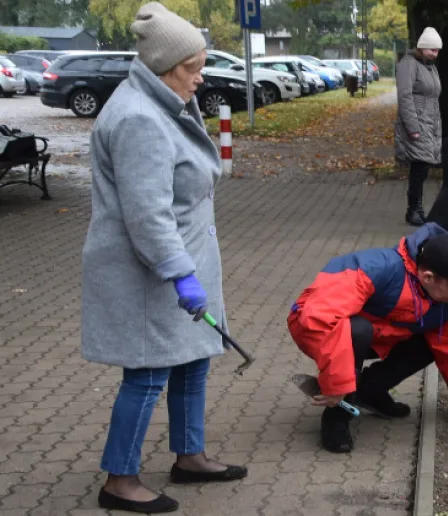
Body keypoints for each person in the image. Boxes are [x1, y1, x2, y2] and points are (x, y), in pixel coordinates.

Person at [81, 3, 246, 513]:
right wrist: (180, 274)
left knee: (193, 361)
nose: (201, 77)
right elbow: (147, 216)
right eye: (192, 68)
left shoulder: (163, 100)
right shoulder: (139, 119)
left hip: (181, 262)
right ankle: (120, 480)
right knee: (148, 373)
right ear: (163, 66)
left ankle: (189, 456)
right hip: (151, 272)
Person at [287, 223, 448, 453]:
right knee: (358, 331)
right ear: (428, 278)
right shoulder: (375, 268)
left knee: (432, 343)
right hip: (314, 328)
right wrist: (337, 385)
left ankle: (369, 390)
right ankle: (337, 416)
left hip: (380, 334)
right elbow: (320, 319)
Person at [395, 27, 443, 226]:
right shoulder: (409, 64)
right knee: (419, 168)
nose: (435, 54)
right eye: (432, 49)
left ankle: (418, 209)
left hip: (429, 124)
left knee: (422, 169)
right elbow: (405, 97)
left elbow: (433, 98)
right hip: (417, 124)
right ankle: (413, 210)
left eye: (437, 50)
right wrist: (413, 127)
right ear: (422, 47)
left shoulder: (429, 66)